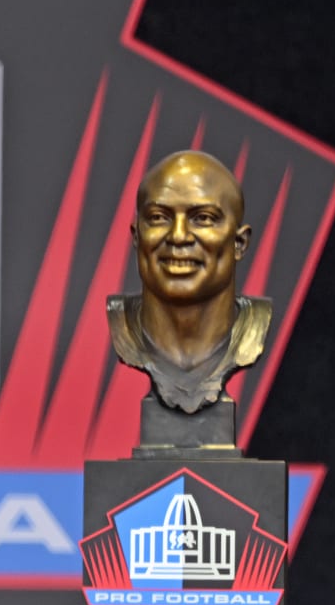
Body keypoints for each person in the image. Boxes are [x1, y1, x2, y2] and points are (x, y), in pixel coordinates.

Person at [107, 148, 269, 413]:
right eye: (159, 218)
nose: (179, 236)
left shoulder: (254, 332)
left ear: (239, 243)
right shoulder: (122, 324)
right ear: (137, 237)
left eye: (203, 218)